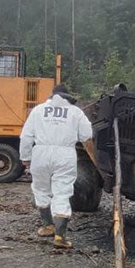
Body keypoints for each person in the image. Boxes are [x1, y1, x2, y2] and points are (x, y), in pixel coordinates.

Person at [20, 84, 93, 248]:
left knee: (41, 189)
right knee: (62, 192)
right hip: (65, 154)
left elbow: (26, 136)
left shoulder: (38, 110)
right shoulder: (75, 112)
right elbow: (87, 135)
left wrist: (25, 157)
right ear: (67, 96)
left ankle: (47, 226)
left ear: (52, 96)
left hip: (40, 153)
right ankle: (60, 236)